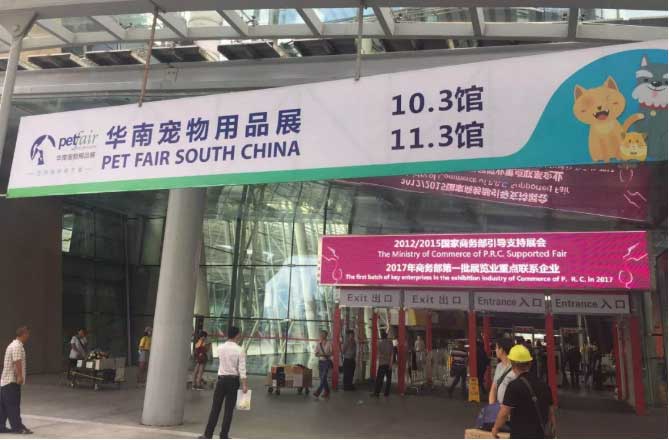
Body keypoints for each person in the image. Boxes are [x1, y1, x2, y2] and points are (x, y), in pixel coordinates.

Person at [492, 344, 556, 439]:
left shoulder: (514, 386)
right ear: (530, 363)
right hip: (540, 435)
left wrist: (495, 428)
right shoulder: (544, 385)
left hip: (520, 434)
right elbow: (551, 413)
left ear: (512, 364)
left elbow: (504, 413)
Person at [200, 326, 247, 440]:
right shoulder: (240, 350)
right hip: (233, 382)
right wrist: (244, 385)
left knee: (215, 408)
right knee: (228, 411)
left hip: (221, 381)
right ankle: (224, 435)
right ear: (237, 335)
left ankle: (207, 435)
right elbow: (242, 369)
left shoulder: (220, 348)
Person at [0, 326, 32, 434]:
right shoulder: (17, 346)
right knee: (13, 405)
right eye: (27, 333)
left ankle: (1, 426)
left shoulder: (12, 345)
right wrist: (19, 376)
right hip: (11, 381)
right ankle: (17, 427)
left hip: (5, 381)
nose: (28, 336)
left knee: (3, 406)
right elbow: (17, 361)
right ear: (23, 334)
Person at [489, 338, 516, 405]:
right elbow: (494, 388)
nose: (495, 350)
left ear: (501, 350)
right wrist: (492, 406)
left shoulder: (516, 367)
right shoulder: (499, 366)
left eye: (496, 348)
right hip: (499, 406)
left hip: (511, 407)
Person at [371, 330, 393, 397]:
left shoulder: (379, 344)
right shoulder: (390, 343)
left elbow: (379, 354)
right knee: (389, 379)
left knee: (379, 379)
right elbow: (392, 354)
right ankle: (386, 393)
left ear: (381, 336)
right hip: (389, 363)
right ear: (386, 336)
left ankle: (376, 393)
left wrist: (383, 357)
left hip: (382, 363)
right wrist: (390, 363)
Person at [313, 330, 332, 399]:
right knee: (322, 378)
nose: (321, 336)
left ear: (326, 335)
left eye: (323, 334)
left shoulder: (329, 343)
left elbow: (331, 353)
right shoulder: (318, 343)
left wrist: (324, 354)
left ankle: (318, 391)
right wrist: (322, 354)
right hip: (320, 362)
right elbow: (316, 354)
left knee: (323, 377)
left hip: (326, 362)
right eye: (321, 334)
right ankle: (327, 391)